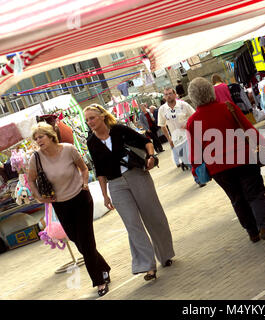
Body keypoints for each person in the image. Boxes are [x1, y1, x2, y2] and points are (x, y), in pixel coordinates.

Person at [186, 77, 265, 245]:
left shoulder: (192, 122)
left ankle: (252, 232)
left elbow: (195, 151)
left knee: (237, 198)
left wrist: (197, 171)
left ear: (193, 97)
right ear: (211, 91)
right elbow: (248, 129)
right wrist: (262, 145)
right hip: (243, 158)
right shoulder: (228, 107)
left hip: (218, 167)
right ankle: (264, 227)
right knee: (255, 194)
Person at [84, 104, 175, 282]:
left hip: (137, 176)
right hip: (116, 185)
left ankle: (165, 255)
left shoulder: (119, 129)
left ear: (102, 116)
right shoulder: (91, 142)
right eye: (87, 120)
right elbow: (99, 170)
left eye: (92, 118)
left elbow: (146, 142)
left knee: (153, 216)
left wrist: (150, 157)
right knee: (132, 225)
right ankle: (147, 266)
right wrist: (104, 195)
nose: (90, 122)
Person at [27, 122, 111, 297]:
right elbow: (31, 180)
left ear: (50, 136)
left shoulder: (68, 149)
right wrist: (38, 197)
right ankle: (103, 267)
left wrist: (85, 183)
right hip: (60, 203)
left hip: (80, 198)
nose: (38, 141)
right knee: (77, 240)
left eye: (41, 136)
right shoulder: (36, 158)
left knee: (86, 242)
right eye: (36, 138)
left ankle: (99, 281)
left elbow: (84, 168)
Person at [158, 88, 195, 170]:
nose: (168, 96)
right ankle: (194, 172)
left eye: (170, 93)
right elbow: (162, 125)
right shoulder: (162, 110)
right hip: (176, 140)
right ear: (164, 97)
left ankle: (198, 179)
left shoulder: (183, 105)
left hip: (188, 135)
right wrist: (169, 139)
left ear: (175, 95)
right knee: (186, 160)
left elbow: (194, 116)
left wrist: (187, 125)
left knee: (192, 158)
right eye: (166, 94)